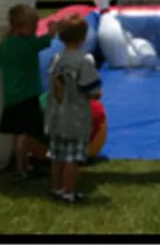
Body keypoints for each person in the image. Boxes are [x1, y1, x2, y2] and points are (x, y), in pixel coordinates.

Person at [0, 5, 59, 179]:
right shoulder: (28, 44)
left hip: (12, 95)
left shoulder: (6, 45)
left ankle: (25, 164)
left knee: (21, 133)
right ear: (24, 26)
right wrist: (53, 30)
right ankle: (23, 167)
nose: (36, 29)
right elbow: (45, 40)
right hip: (26, 94)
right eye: (34, 25)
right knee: (25, 133)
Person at [45, 15, 102, 203]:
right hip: (75, 116)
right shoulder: (84, 60)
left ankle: (56, 187)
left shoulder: (56, 58)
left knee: (57, 155)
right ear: (83, 37)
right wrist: (96, 94)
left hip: (55, 114)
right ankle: (68, 191)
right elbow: (90, 89)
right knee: (72, 157)